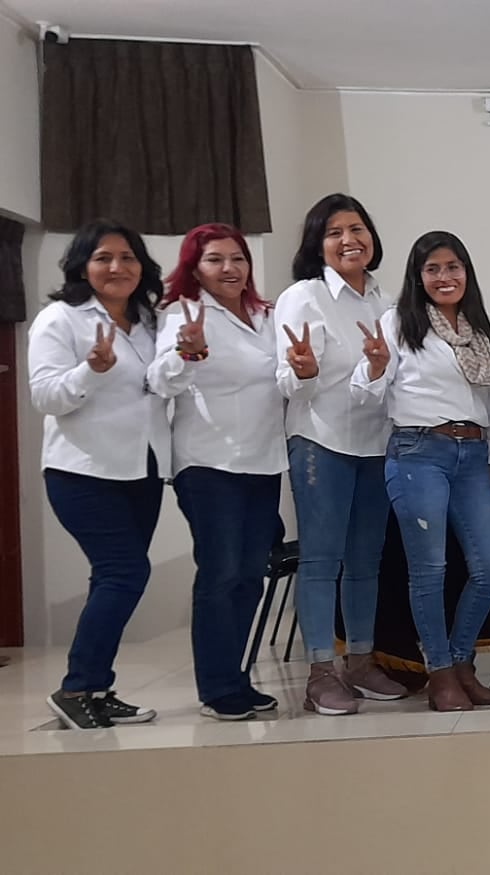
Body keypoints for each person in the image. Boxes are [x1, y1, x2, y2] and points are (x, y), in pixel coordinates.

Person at [352, 231, 490, 712]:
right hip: (419, 452)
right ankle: (439, 671)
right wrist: (375, 366)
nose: (445, 277)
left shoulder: (479, 330)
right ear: (418, 277)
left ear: (467, 273)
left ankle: (461, 661)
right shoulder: (397, 323)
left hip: (472, 456)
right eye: (433, 269)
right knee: (430, 569)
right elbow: (364, 396)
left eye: (454, 267)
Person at [29, 220, 170, 729]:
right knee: (125, 572)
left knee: (112, 577)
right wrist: (91, 369)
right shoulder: (60, 319)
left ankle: (96, 686)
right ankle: (76, 688)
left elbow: (158, 387)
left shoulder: (149, 321)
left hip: (142, 469)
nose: (117, 268)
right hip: (82, 471)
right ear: (83, 267)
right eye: (104, 258)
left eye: (128, 258)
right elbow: (45, 396)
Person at [275, 193, 409, 715]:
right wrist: (304, 370)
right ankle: (320, 671)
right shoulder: (303, 297)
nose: (349, 240)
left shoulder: (387, 303)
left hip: (375, 444)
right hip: (320, 441)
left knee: (365, 562)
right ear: (318, 244)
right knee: (320, 559)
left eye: (357, 229)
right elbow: (287, 381)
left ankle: (359, 660)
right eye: (335, 232)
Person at [147, 224, 285, 720]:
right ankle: (217, 686)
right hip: (208, 464)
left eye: (237, 258)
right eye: (214, 260)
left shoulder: (265, 315)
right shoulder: (182, 313)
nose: (229, 268)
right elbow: (159, 381)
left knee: (250, 576)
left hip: (264, 460)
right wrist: (188, 351)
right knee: (222, 572)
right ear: (194, 267)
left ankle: (238, 678)